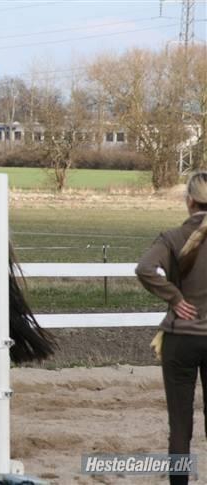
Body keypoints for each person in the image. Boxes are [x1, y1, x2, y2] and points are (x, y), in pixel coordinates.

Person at [136, 171, 207, 485]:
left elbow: (144, 269)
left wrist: (174, 297)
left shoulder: (171, 237)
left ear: (189, 201)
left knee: (180, 426)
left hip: (181, 338)